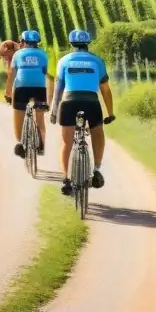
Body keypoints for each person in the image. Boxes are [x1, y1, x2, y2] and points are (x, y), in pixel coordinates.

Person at [50, 29, 116, 196]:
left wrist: (54, 110)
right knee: (97, 133)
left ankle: (66, 180)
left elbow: (58, 89)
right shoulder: (97, 61)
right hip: (91, 102)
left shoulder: (64, 61)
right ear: (88, 44)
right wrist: (110, 113)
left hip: (69, 103)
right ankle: (97, 169)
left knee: (66, 142)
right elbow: (105, 90)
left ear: (72, 44)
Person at [3, 29, 49, 158]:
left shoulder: (18, 55)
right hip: (39, 88)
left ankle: (20, 144)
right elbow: (44, 71)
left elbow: (12, 74)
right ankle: (41, 145)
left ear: (23, 42)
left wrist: (8, 92)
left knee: (18, 116)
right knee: (39, 118)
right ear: (37, 43)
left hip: (21, 88)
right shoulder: (43, 55)